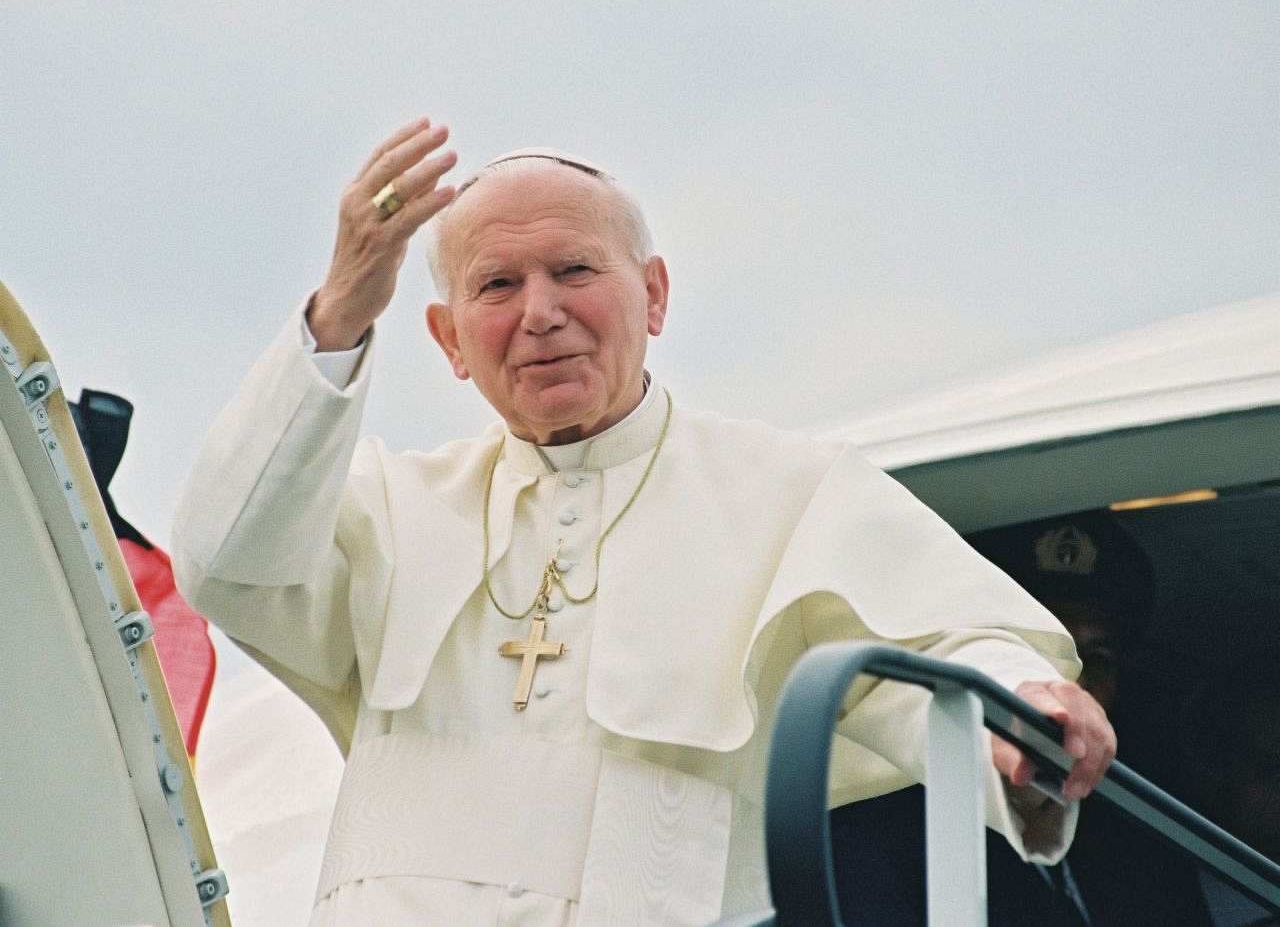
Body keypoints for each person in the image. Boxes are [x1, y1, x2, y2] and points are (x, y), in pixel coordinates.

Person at [172, 117, 1116, 924]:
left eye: (573, 269)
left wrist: (1021, 715)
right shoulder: (385, 509)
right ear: (449, 339)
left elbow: (956, 647)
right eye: (497, 286)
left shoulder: (789, 491)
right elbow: (225, 562)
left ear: (654, 295)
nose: (540, 314)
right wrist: (341, 308)